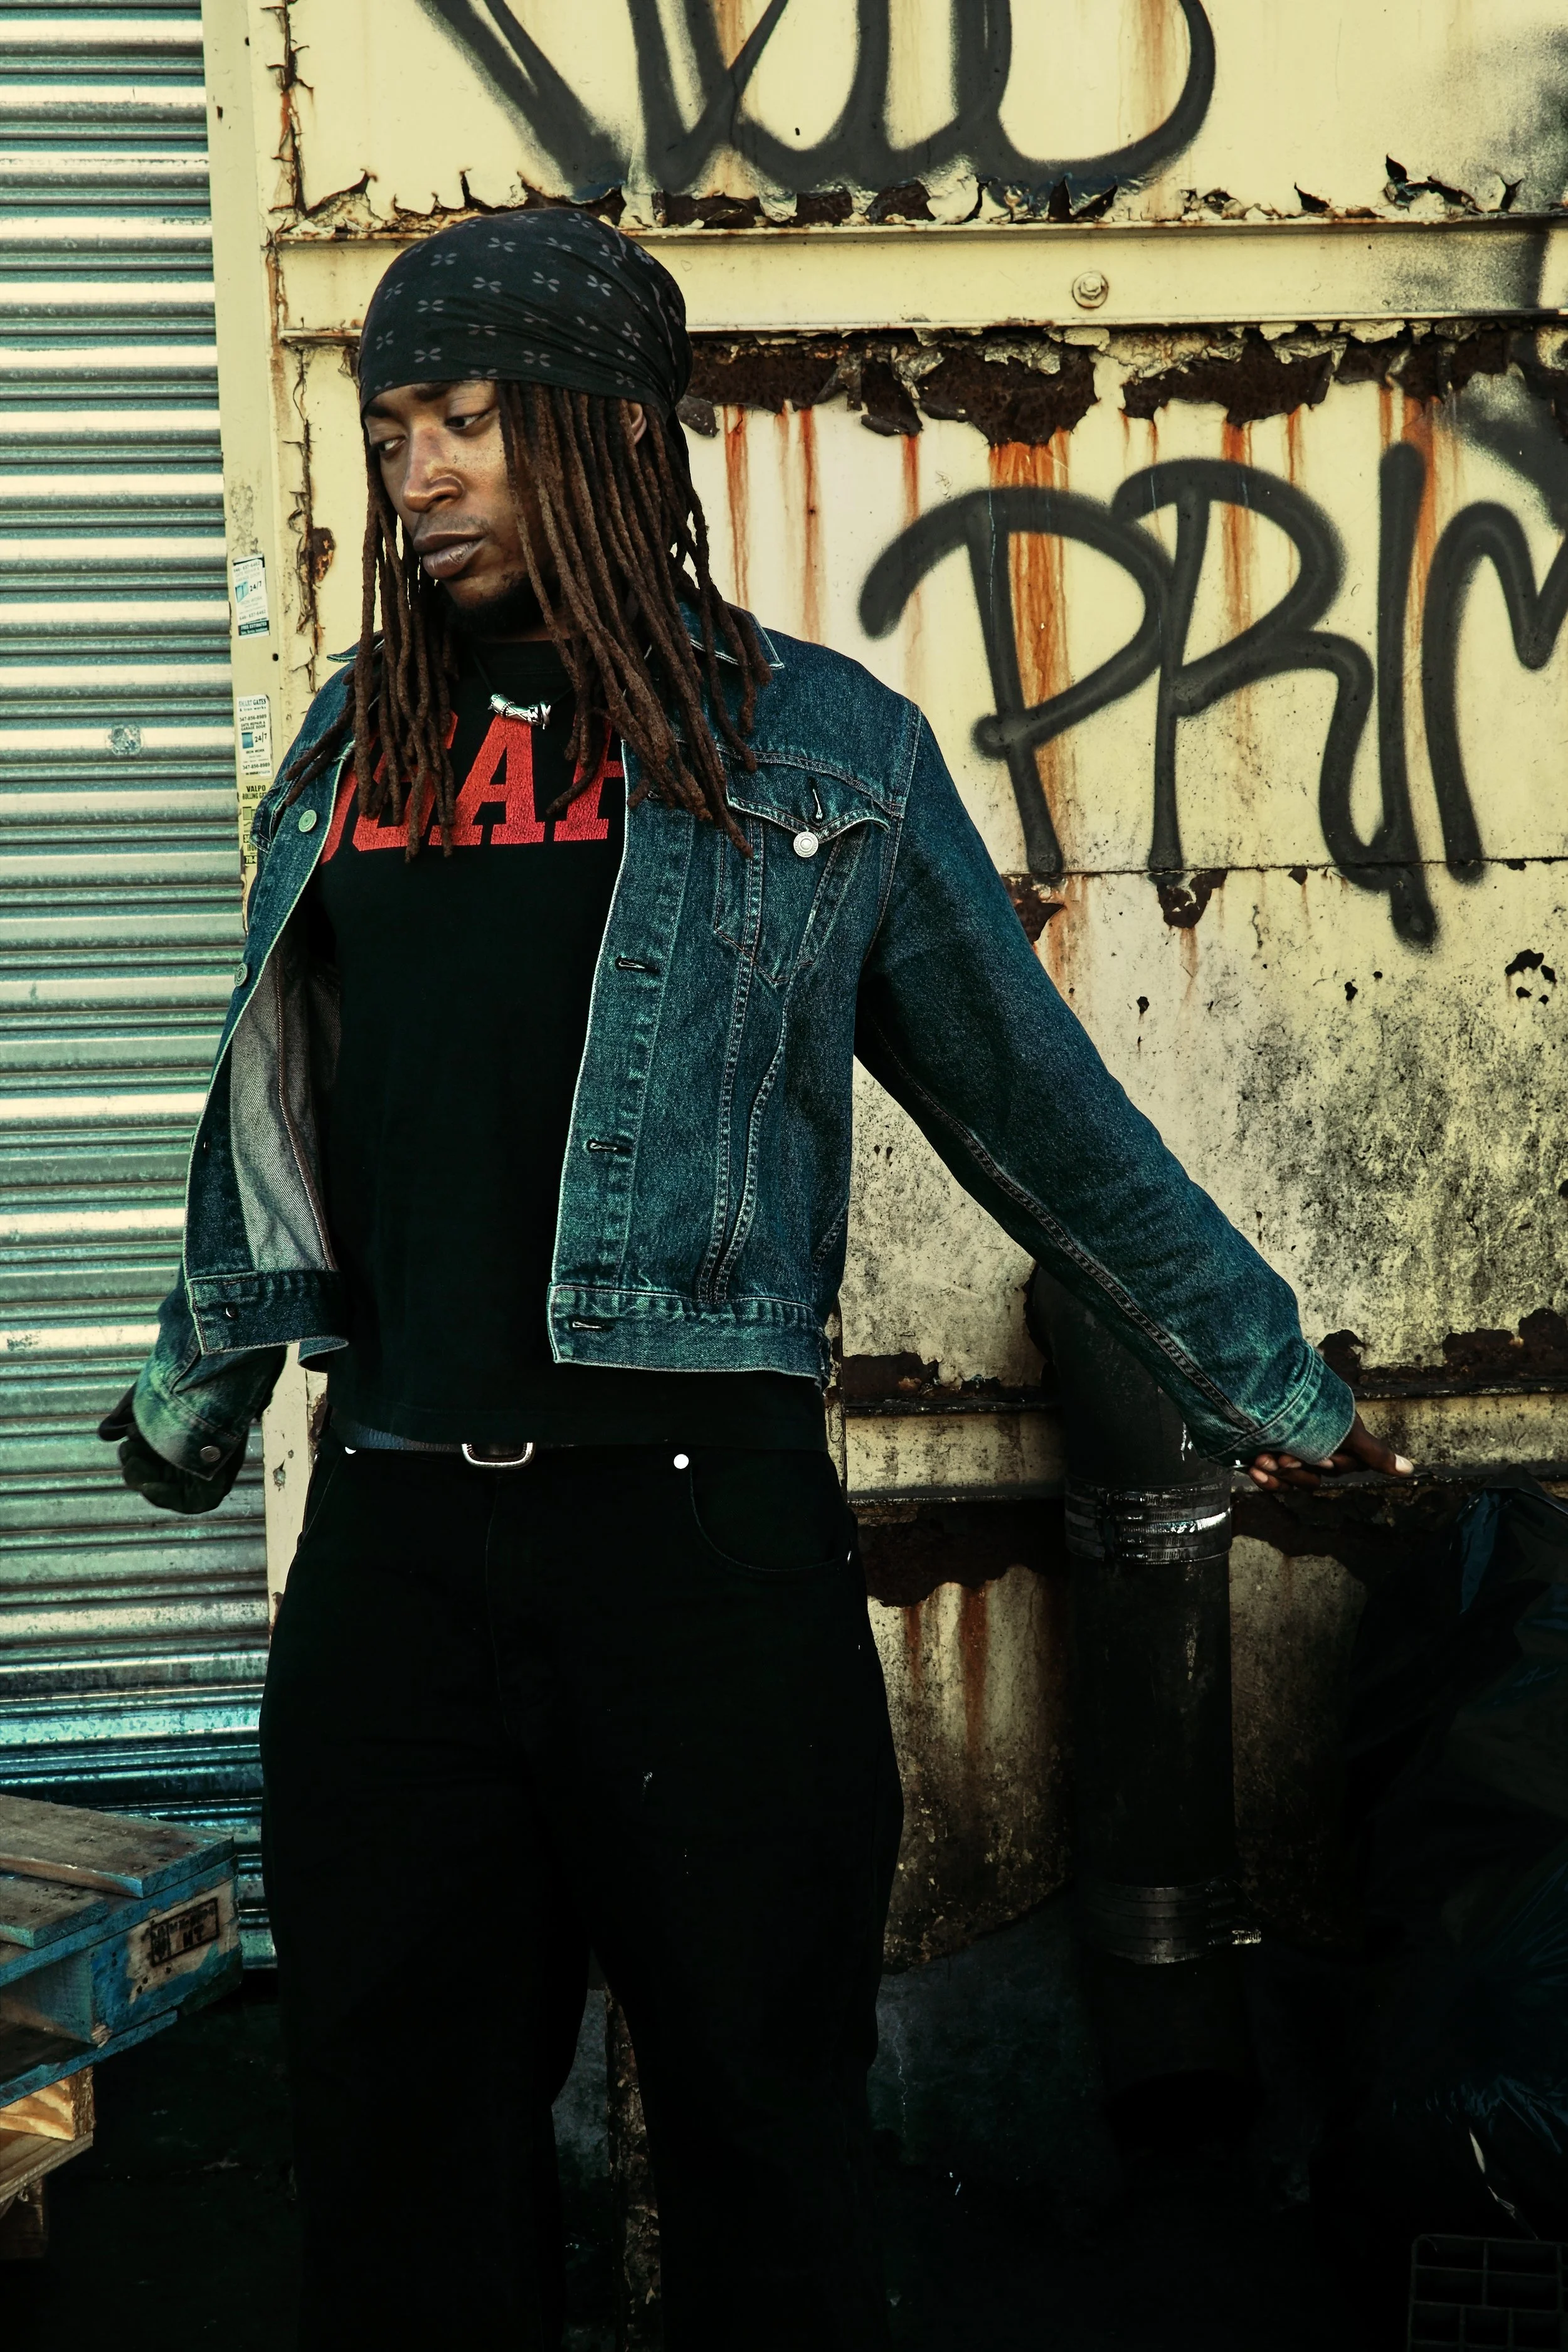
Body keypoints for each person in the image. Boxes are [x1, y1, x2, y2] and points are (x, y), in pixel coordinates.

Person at [99, 209, 1411, 2348]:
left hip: (699, 1556)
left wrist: (1271, 1381)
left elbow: (1044, 1118)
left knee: (762, 2142)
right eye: (392, 426)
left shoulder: (816, 753)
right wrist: (194, 1400)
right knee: (397, 2152)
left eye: (465, 422)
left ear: (604, 437)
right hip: (401, 1546)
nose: (413, 472)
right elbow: (271, 1142)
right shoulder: (355, 748)